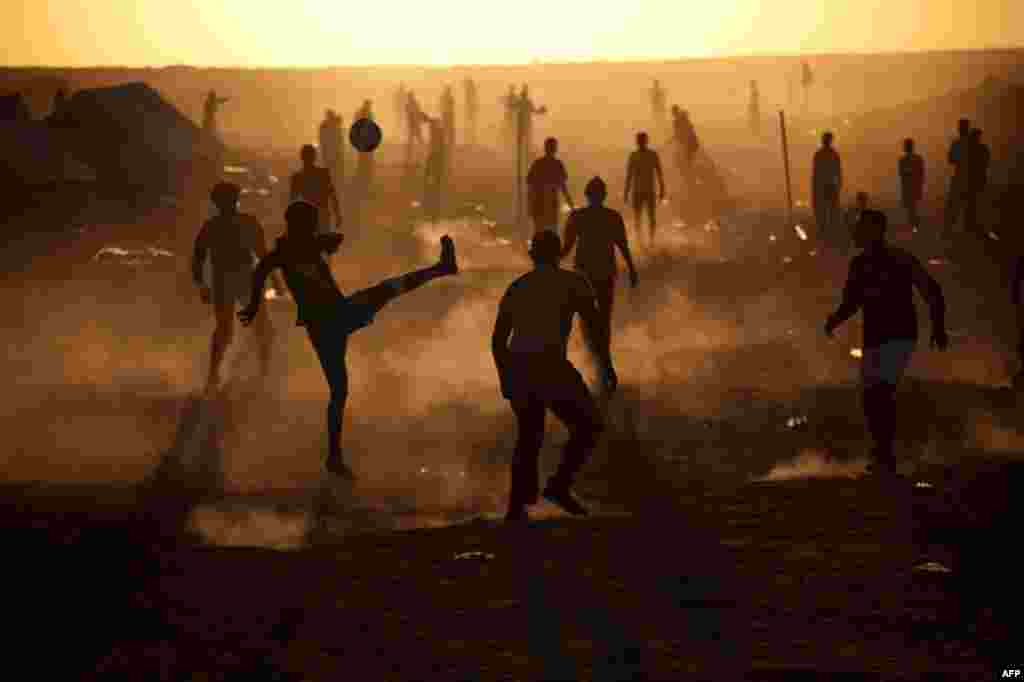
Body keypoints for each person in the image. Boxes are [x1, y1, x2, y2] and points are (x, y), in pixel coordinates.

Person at [238, 201, 459, 478]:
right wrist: (253, 304)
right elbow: (263, 270)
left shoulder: (296, 249)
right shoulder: (287, 253)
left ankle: (333, 457)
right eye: (310, 223)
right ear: (300, 225)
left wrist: (253, 304)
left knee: (339, 389)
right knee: (386, 292)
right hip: (329, 320)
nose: (314, 228)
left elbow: (268, 269)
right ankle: (441, 268)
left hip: (329, 321)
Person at [492, 230, 616, 521]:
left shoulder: (518, 286)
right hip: (550, 365)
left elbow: (498, 341)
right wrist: (606, 364)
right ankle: (558, 486)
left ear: (532, 255)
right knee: (588, 425)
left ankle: (517, 507)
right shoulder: (573, 283)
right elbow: (595, 329)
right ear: (559, 253)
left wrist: (505, 377)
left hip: (520, 365)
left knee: (529, 436)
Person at [824, 209, 947, 476]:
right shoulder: (864, 264)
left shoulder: (896, 260)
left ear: (874, 231)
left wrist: (938, 325)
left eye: (861, 228)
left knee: (879, 392)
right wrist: (835, 319)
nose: (856, 233)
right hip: (878, 337)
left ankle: (884, 454)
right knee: (873, 396)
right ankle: (883, 451)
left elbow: (931, 290)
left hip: (898, 336)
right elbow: (852, 302)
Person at [192, 182, 283, 392]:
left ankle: (220, 374)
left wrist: (202, 286)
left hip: (230, 279)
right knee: (254, 328)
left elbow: (198, 259)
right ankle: (259, 373)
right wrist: (276, 281)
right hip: (238, 279)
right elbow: (262, 255)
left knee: (232, 329)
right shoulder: (242, 223)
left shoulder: (213, 226)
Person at [562, 177, 639, 377]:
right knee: (603, 317)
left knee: (587, 318)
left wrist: (547, 261)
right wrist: (631, 269)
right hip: (604, 273)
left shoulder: (577, 216)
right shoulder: (612, 217)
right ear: (604, 195)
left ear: (587, 195)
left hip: (584, 274)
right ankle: (603, 359)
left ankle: (594, 356)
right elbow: (622, 246)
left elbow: (566, 248)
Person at [624, 132, 666, 246]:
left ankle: (651, 241)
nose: (641, 142)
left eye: (642, 140)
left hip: (648, 191)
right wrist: (626, 192)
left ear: (645, 141)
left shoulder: (652, 155)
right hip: (638, 191)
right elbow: (629, 175)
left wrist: (662, 189)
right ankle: (640, 240)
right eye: (639, 140)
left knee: (650, 216)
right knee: (638, 217)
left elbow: (659, 173)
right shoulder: (634, 156)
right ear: (638, 142)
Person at [526, 137, 573, 237]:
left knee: (540, 234)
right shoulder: (557, 165)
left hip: (541, 205)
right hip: (549, 206)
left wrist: (529, 206)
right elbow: (563, 187)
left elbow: (530, 187)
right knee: (551, 234)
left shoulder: (538, 164)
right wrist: (571, 205)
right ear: (555, 149)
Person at [289, 144, 341, 234]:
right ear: (315, 157)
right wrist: (337, 214)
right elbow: (332, 195)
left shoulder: (297, 177)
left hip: (309, 217)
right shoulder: (323, 173)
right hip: (318, 215)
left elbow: (293, 201)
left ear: (301, 157)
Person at [812, 131, 843, 243]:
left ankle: (827, 233)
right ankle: (829, 233)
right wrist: (839, 183)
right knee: (829, 210)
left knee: (827, 210)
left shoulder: (821, 154)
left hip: (825, 186)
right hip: (828, 186)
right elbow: (838, 172)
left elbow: (816, 173)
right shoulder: (832, 154)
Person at [943, 118, 971, 237]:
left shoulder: (957, 143)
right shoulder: (972, 143)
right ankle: (968, 228)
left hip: (960, 175)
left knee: (954, 204)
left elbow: (950, 159)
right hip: (971, 176)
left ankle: (949, 229)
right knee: (969, 203)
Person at [670, 106, 700, 206]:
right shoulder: (684, 119)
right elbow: (683, 132)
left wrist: (673, 139)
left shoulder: (678, 121)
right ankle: (692, 180)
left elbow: (679, 134)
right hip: (693, 143)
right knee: (687, 162)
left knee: (686, 164)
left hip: (689, 144)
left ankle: (691, 182)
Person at [965, 128, 991, 237]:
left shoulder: (969, 149)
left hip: (972, 178)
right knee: (974, 201)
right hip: (978, 177)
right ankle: (972, 223)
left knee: (971, 201)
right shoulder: (983, 149)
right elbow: (986, 163)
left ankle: (970, 223)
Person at [898, 139, 925, 231]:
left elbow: (901, 174)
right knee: (912, 206)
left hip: (910, 185)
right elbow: (921, 173)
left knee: (911, 207)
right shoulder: (918, 158)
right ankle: (914, 225)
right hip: (912, 185)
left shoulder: (903, 160)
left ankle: (914, 226)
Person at [319, 110, 343, 189]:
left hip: (331, 151)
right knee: (332, 168)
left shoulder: (325, 125)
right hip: (331, 151)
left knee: (331, 168)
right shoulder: (327, 125)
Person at [464, 77, 479, 147]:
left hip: (471, 110)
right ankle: (470, 139)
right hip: (470, 110)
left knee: (471, 124)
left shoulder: (470, 91)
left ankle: (471, 139)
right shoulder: (470, 91)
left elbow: (472, 101)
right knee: (470, 124)